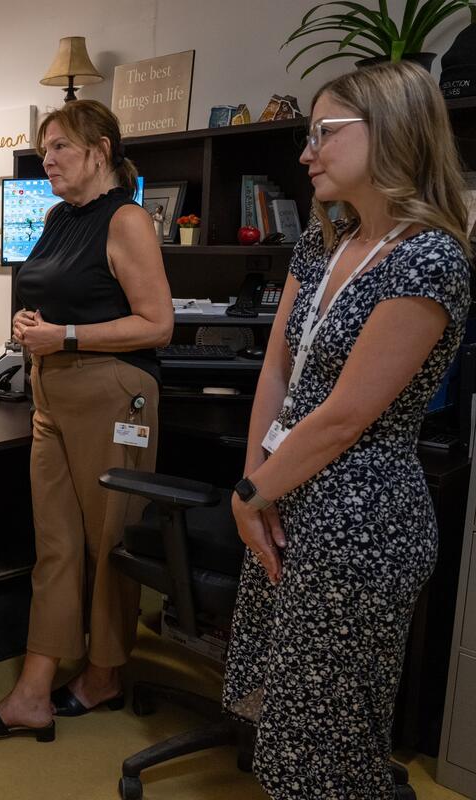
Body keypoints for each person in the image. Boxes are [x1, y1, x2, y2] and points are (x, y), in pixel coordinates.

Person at [222, 61, 471, 798]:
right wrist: (255, 490)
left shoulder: (431, 259)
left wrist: (248, 495)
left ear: (391, 129)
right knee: (283, 724)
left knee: (327, 744)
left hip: (359, 519)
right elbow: (276, 372)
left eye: (324, 134)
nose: (307, 153)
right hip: (284, 497)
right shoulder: (322, 244)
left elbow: (344, 418)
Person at [0, 100, 173, 741]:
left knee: (109, 541)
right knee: (53, 544)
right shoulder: (58, 217)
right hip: (50, 394)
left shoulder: (127, 218)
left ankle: (106, 673)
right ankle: (34, 688)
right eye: (44, 148)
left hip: (114, 395)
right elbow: (47, 300)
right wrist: (30, 328)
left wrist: (68, 336)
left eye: (60, 147)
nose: (46, 159)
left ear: (101, 151)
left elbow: (157, 324)